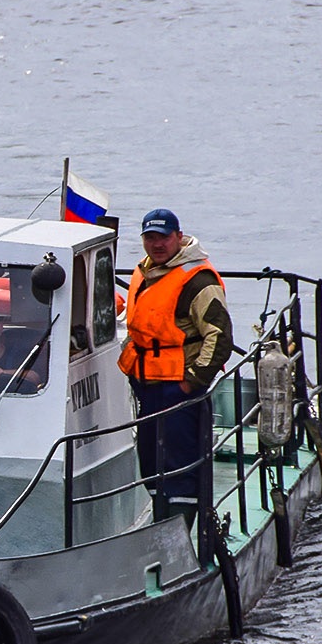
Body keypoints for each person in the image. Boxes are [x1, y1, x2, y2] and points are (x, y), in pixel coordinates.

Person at [118, 208, 233, 525]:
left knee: (180, 467)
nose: (157, 244)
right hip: (148, 388)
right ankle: (161, 524)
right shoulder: (144, 272)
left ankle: (181, 536)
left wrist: (191, 382)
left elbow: (220, 336)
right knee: (152, 465)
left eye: (164, 237)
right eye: (150, 237)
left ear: (178, 237)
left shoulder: (197, 280)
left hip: (178, 390)